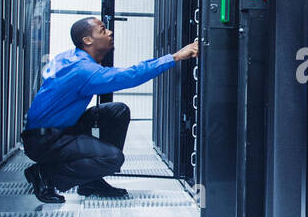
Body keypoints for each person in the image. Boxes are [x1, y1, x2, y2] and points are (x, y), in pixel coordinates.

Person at [21, 16, 198, 203]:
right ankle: (44, 175)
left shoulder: (69, 57)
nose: (110, 32)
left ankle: (91, 180)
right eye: (103, 29)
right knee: (112, 158)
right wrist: (175, 56)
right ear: (87, 40)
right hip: (45, 140)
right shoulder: (83, 70)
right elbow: (130, 76)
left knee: (117, 111)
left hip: (57, 129)